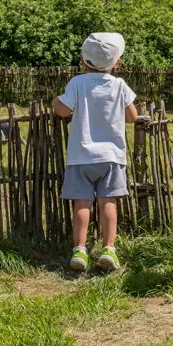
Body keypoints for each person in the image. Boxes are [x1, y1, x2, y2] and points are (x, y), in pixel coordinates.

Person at [52, 32, 137, 273]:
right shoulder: (120, 85)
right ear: (117, 63)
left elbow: (63, 111)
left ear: (82, 60)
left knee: (82, 203)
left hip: (81, 156)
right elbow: (132, 116)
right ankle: (109, 248)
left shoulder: (77, 83)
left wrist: (54, 102)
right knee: (108, 202)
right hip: (111, 157)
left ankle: (79, 250)